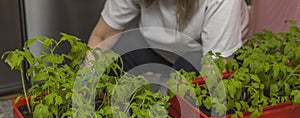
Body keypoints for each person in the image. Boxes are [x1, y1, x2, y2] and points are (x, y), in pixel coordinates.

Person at [88, 0, 249, 73]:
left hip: (206, 60)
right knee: (122, 55)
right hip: (162, 51)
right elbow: (102, 37)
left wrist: (166, 94)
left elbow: (217, 72)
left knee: (186, 67)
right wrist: (86, 84)